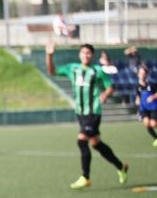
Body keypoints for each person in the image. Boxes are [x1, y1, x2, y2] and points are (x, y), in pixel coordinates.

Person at [46, 41, 129, 189]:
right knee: (96, 144)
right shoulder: (73, 68)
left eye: (89, 53)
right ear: (80, 54)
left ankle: (86, 177)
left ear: (93, 55)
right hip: (80, 113)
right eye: (84, 52)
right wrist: (50, 55)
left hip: (93, 112)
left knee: (82, 140)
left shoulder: (98, 70)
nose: (86, 55)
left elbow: (110, 86)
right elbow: (52, 72)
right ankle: (121, 167)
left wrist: (104, 94)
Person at [136, 65, 157, 147]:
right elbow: (138, 96)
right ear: (138, 74)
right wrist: (137, 100)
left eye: (144, 73)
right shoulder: (137, 86)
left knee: (153, 124)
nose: (142, 75)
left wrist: (153, 97)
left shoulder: (152, 85)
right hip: (144, 108)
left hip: (153, 107)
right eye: (141, 73)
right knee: (146, 123)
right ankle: (156, 138)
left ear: (147, 74)